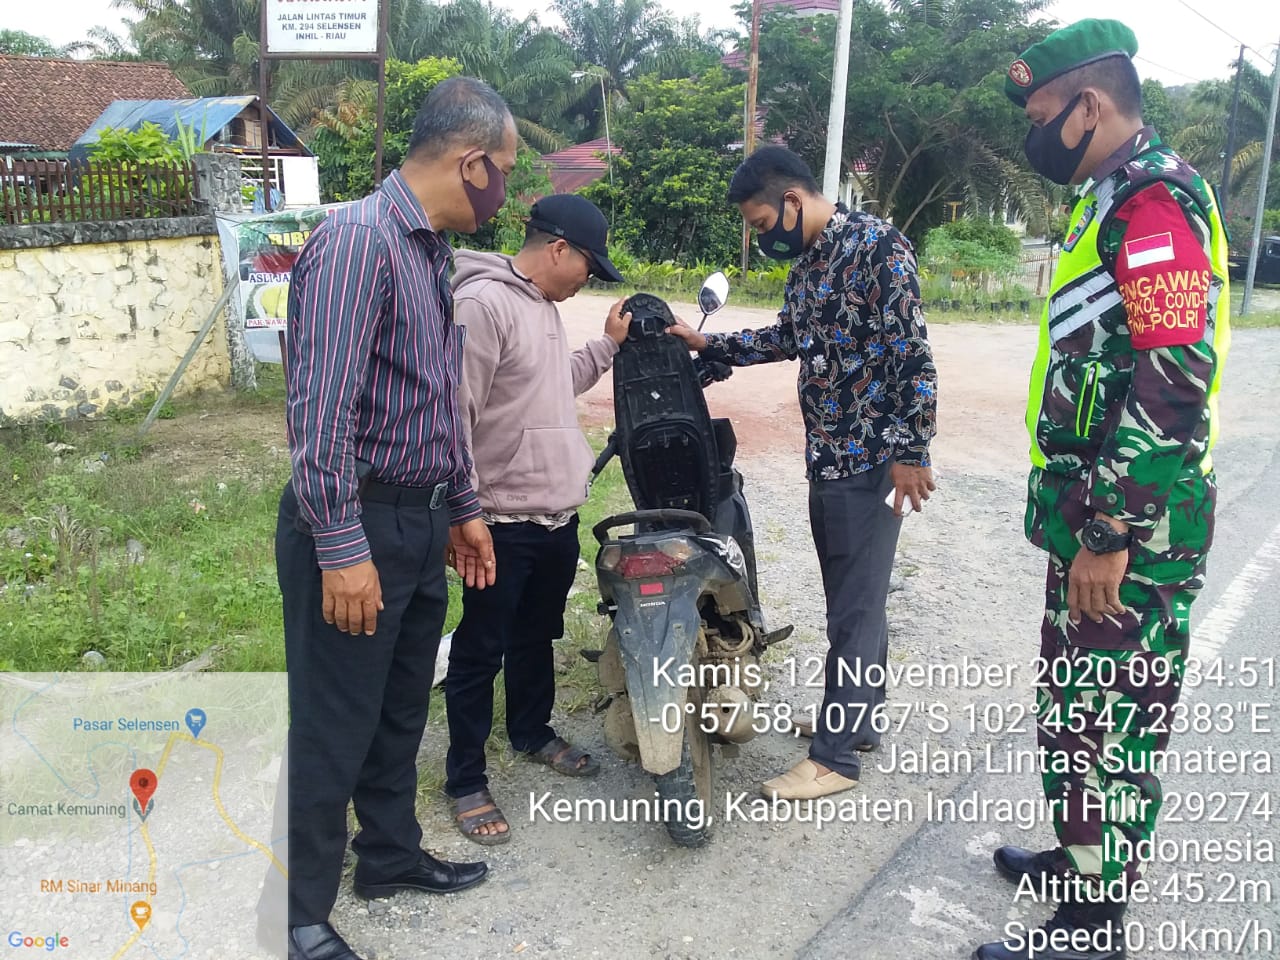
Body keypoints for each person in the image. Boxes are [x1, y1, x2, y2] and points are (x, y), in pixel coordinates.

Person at [971, 20, 1231, 960]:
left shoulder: (1154, 201)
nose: (1034, 136)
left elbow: (1175, 378)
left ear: (1089, 106)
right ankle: (1082, 858)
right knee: (1080, 708)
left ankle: (1092, 928)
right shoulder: (1108, 196)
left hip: (1132, 532)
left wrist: (1113, 526)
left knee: (1112, 722)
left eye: (1041, 115)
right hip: (1094, 522)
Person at [262, 77, 518, 960]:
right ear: (471, 161)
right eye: (504, 174)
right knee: (333, 718)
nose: (504, 192)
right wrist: (341, 547)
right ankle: (296, 912)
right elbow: (320, 412)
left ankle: (389, 856)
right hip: (356, 524)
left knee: (401, 706)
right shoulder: (359, 241)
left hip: (420, 519)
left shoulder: (427, 251)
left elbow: (436, 403)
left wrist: (466, 508)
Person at [667, 145, 938, 801]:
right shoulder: (810, 263)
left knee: (853, 606)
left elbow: (913, 355)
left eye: (762, 225)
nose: (763, 239)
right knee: (855, 598)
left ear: (791, 201)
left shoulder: (878, 247)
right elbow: (792, 335)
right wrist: (713, 346)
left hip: (873, 461)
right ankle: (859, 719)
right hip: (829, 456)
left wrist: (912, 451)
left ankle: (836, 759)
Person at [444, 194, 629, 843]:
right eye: (587, 266)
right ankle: (465, 779)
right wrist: (461, 513)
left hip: (554, 517)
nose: (587, 279)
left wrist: (606, 346)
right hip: (498, 519)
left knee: (534, 635)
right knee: (478, 650)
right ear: (557, 249)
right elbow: (454, 418)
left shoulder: (545, 310)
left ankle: (530, 731)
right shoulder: (483, 304)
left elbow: (553, 385)